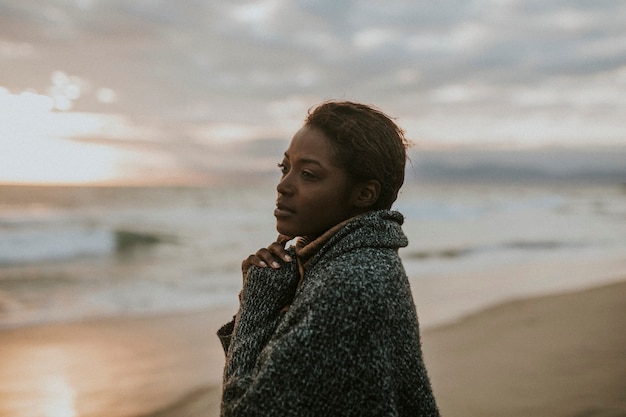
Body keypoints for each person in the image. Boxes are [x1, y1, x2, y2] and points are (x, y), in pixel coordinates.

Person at [217, 101, 440, 416]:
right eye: (285, 168)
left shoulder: (348, 286)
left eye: (308, 174)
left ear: (363, 194)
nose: (283, 186)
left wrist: (256, 306)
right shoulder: (348, 263)